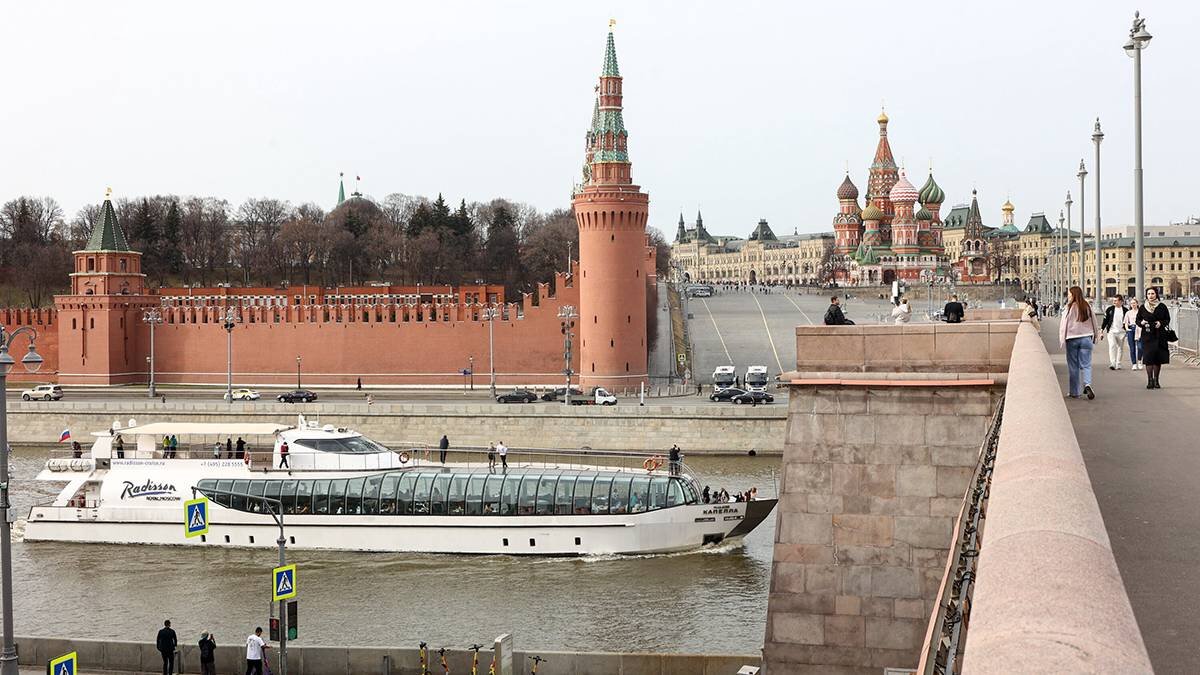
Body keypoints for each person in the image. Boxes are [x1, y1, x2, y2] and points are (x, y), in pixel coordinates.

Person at [1058, 286, 1099, 400]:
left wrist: (1062, 339)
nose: (1068, 296)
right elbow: (1094, 321)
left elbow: (1063, 324)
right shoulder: (1087, 306)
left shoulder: (1069, 307)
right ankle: (1087, 384)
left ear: (1073, 295)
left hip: (1072, 339)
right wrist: (1095, 335)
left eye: (1069, 294)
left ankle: (1074, 392)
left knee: (1073, 366)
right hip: (1086, 338)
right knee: (1086, 364)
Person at [1137, 287, 1171, 389]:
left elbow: (1167, 319)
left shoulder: (1162, 306)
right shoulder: (1143, 307)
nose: (1150, 296)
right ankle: (1149, 381)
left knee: (1157, 358)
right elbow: (1138, 320)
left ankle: (1156, 380)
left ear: (1156, 294)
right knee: (1148, 358)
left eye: (1152, 293)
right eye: (1148, 294)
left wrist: (1161, 323)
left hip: (1159, 335)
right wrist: (1142, 322)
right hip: (1147, 336)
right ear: (1146, 295)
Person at [1100, 295, 1128, 370]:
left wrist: (1127, 330)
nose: (1114, 302)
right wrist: (1102, 330)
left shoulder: (1125, 310)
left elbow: (1128, 321)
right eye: (1113, 300)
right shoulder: (1110, 309)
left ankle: (1118, 363)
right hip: (1111, 331)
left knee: (1120, 347)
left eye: (1116, 300)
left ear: (1121, 301)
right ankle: (1112, 363)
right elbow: (1105, 320)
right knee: (1112, 346)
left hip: (1122, 332)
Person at [1124, 298, 1143, 370]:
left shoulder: (1140, 312)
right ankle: (1134, 363)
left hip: (1139, 329)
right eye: (1131, 303)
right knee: (1132, 348)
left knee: (1140, 347)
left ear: (1137, 304)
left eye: (1134, 303)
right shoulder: (1128, 313)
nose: (1133, 304)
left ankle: (1139, 360)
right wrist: (1127, 329)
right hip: (1131, 329)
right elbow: (1126, 322)